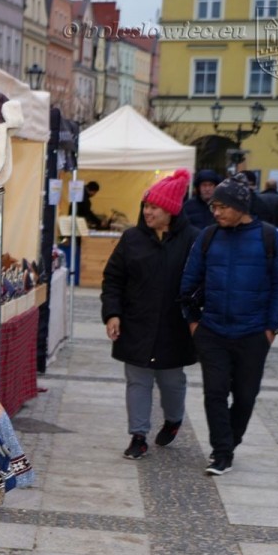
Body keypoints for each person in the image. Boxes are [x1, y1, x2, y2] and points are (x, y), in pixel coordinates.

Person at [179, 176, 278, 476]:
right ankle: (221, 452)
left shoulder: (271, 237)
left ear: (240, 206)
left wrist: (272, 329)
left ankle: (230, 440)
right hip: (212, 331)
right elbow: (188, 283)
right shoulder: (207, 237)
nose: (216, 212)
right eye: (213, 206)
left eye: (222, 207)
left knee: (245, 395)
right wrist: (193, 324)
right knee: (214, 392)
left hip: (254, 333)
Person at [101, 168, 198, 460]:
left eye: (154, 206)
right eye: (146, 205)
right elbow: (113, 278)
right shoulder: (132, 238)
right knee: (138, 380)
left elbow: (203, 282)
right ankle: (138, 436)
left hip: (174, 327)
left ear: (170, 209)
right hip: (136, 323)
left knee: (171, 381)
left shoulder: (193, 239)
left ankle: (174, 419)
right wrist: (112, 313)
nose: (147, 211)